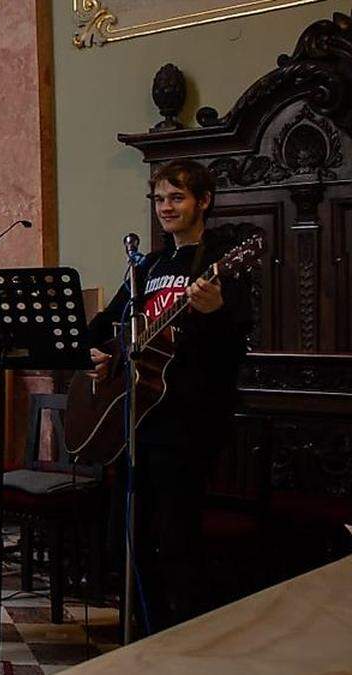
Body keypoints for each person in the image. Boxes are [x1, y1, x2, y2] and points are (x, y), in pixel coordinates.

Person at [88, 159, 253, 634]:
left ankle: (187, 636)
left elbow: (238, 334)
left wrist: (217, 310)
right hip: (138, 419)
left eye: (177, 198)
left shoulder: (220, 261)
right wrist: (99, 353)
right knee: (130, 534)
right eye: (160, 199)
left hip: (191, 419)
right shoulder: (151, 266)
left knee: (177, 537)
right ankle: (143, 627)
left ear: (203, 201)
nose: (166, 208)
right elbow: (104, 325)